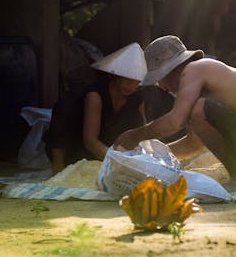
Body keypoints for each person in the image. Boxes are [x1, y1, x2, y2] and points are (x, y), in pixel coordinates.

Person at [113, 35, 236, 190]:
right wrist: (151, 157)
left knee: (197, 109)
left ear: (171, 70)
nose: (162, 87)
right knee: (197, 110)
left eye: (160, 79)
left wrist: (136, 135)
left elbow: (176, 121)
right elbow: (194, 144)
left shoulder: (196, 69)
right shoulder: (204, 86)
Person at [45, 42, 174, 173]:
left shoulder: (136, 99)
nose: (132, 87)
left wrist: (148, 158)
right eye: (128, 82)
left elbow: (142, 133)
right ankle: (58, 165)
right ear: (116, 76)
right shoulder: (95, 95)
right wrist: (117, 162)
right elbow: (90, 141)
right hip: (79, 146)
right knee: (65, 106)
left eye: (137, 84)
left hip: (109, 146)